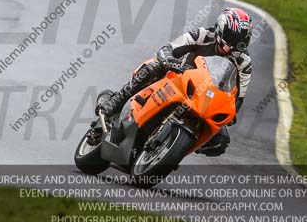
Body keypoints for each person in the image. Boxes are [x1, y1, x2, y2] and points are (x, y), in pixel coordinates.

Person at [95, 8, 254, 156]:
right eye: (230, 41)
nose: (231, 48)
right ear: (220, 31)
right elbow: (168, 48)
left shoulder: (244, 62)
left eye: (240, 42)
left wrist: (230, 114)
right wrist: (168, 60)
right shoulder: (202, 35)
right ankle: (114, 104)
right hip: (177, 75)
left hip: (206, 98)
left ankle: (175, 149)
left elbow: (238, 98)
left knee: (221, 140)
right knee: (151, 68)